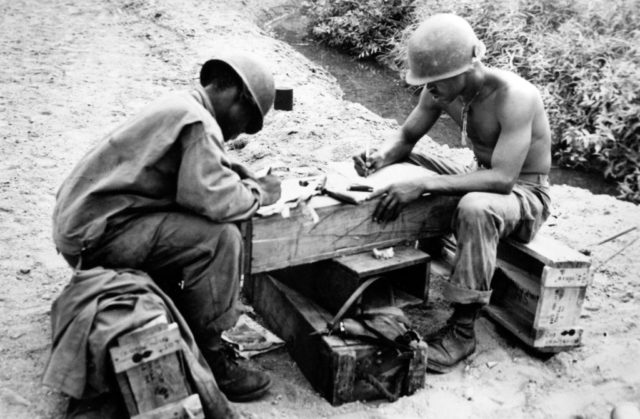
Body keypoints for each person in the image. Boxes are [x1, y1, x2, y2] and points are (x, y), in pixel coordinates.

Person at [52, 52, 281, 402]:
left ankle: (185, 306)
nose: (237, 133)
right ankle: (212, 356)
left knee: (200, 229)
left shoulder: (182, 104)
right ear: (238, 98)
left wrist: (229, 168)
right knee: (221, 238)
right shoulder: (200, 123)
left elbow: (182, 171)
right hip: (97, 236)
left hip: (82, 224)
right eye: (245, 121)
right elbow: (213, 201)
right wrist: (258, 193)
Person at [353, 14, 552, 373]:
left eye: (434, 81)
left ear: (467, 66)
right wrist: (380, 157)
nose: (428, 89)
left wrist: (424, 184)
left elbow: (504, 180)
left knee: (475, 207)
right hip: (482, 177)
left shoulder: (515, 97)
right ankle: (416, 260)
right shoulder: (442, 91)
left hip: (526, 195)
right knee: (408, 161)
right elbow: (406, 139)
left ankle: (462, 332)